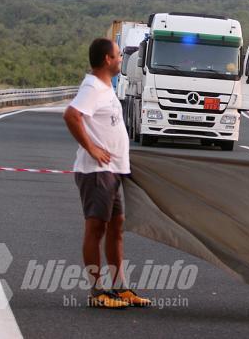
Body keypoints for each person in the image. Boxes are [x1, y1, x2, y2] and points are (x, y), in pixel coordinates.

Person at [63, 38, 151, 309]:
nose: (120, 59)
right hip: (97, 171)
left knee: (116, 228)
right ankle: (97, 290)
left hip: (112, 171)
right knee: (96, 227)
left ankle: (120, 287)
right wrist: (91, 149)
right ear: (106, 60)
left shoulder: (104, 87)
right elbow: (71, 115)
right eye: (117, 56)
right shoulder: (92, 87)